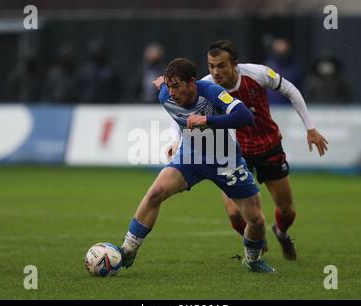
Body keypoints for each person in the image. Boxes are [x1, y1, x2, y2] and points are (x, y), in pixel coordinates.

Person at [167, 40, 328, 261]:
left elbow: (290, 90)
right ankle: (256, 243)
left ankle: (281, 233)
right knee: (234, 214)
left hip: (268, 145)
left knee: (288, 211)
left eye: (221, 65)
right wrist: (175, 140)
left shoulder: (257, 73)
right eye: (211, 66)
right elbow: (181, 111)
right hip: (233, 154)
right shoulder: (205, 86)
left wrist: (310, 128)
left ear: (235, 64)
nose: (215, 71)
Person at [119, 58, 276, 273]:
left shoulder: (212, 92)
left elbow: (245, 117)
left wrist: (207, 120)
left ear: (192, 82)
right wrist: (164, 86)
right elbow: (169, 96)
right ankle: (127, 249)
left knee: (256, 220)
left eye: (176, 86)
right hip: (191, 157)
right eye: (169, 86)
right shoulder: (165, 96)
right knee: (155, 193)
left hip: (225, 161)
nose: (172, 92)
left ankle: (252, 259)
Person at [264, 38, 303, 105]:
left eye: (284, 51)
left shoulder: (294, 70)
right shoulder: (267, 67)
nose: (281, 53)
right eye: (278, 51)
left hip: (289, 108)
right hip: (270, 106)